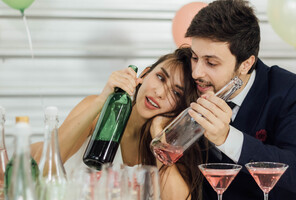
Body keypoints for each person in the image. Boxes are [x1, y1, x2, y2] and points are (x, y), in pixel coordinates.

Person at [184, 0, 296, 199]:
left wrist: (226, 138)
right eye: (194, 57)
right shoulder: (189, 83)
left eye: (211, 63)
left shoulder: (290, 90)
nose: (196, 72)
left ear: (246, 64)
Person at [31, 48, 203, 200]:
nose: (159, 93)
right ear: (144, 75)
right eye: (160, 77)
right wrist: (101, 101)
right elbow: (44, 167)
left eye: (176, 93)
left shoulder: (169, 148)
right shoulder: (100, 112)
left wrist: (158, 133)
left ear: (182, 107)